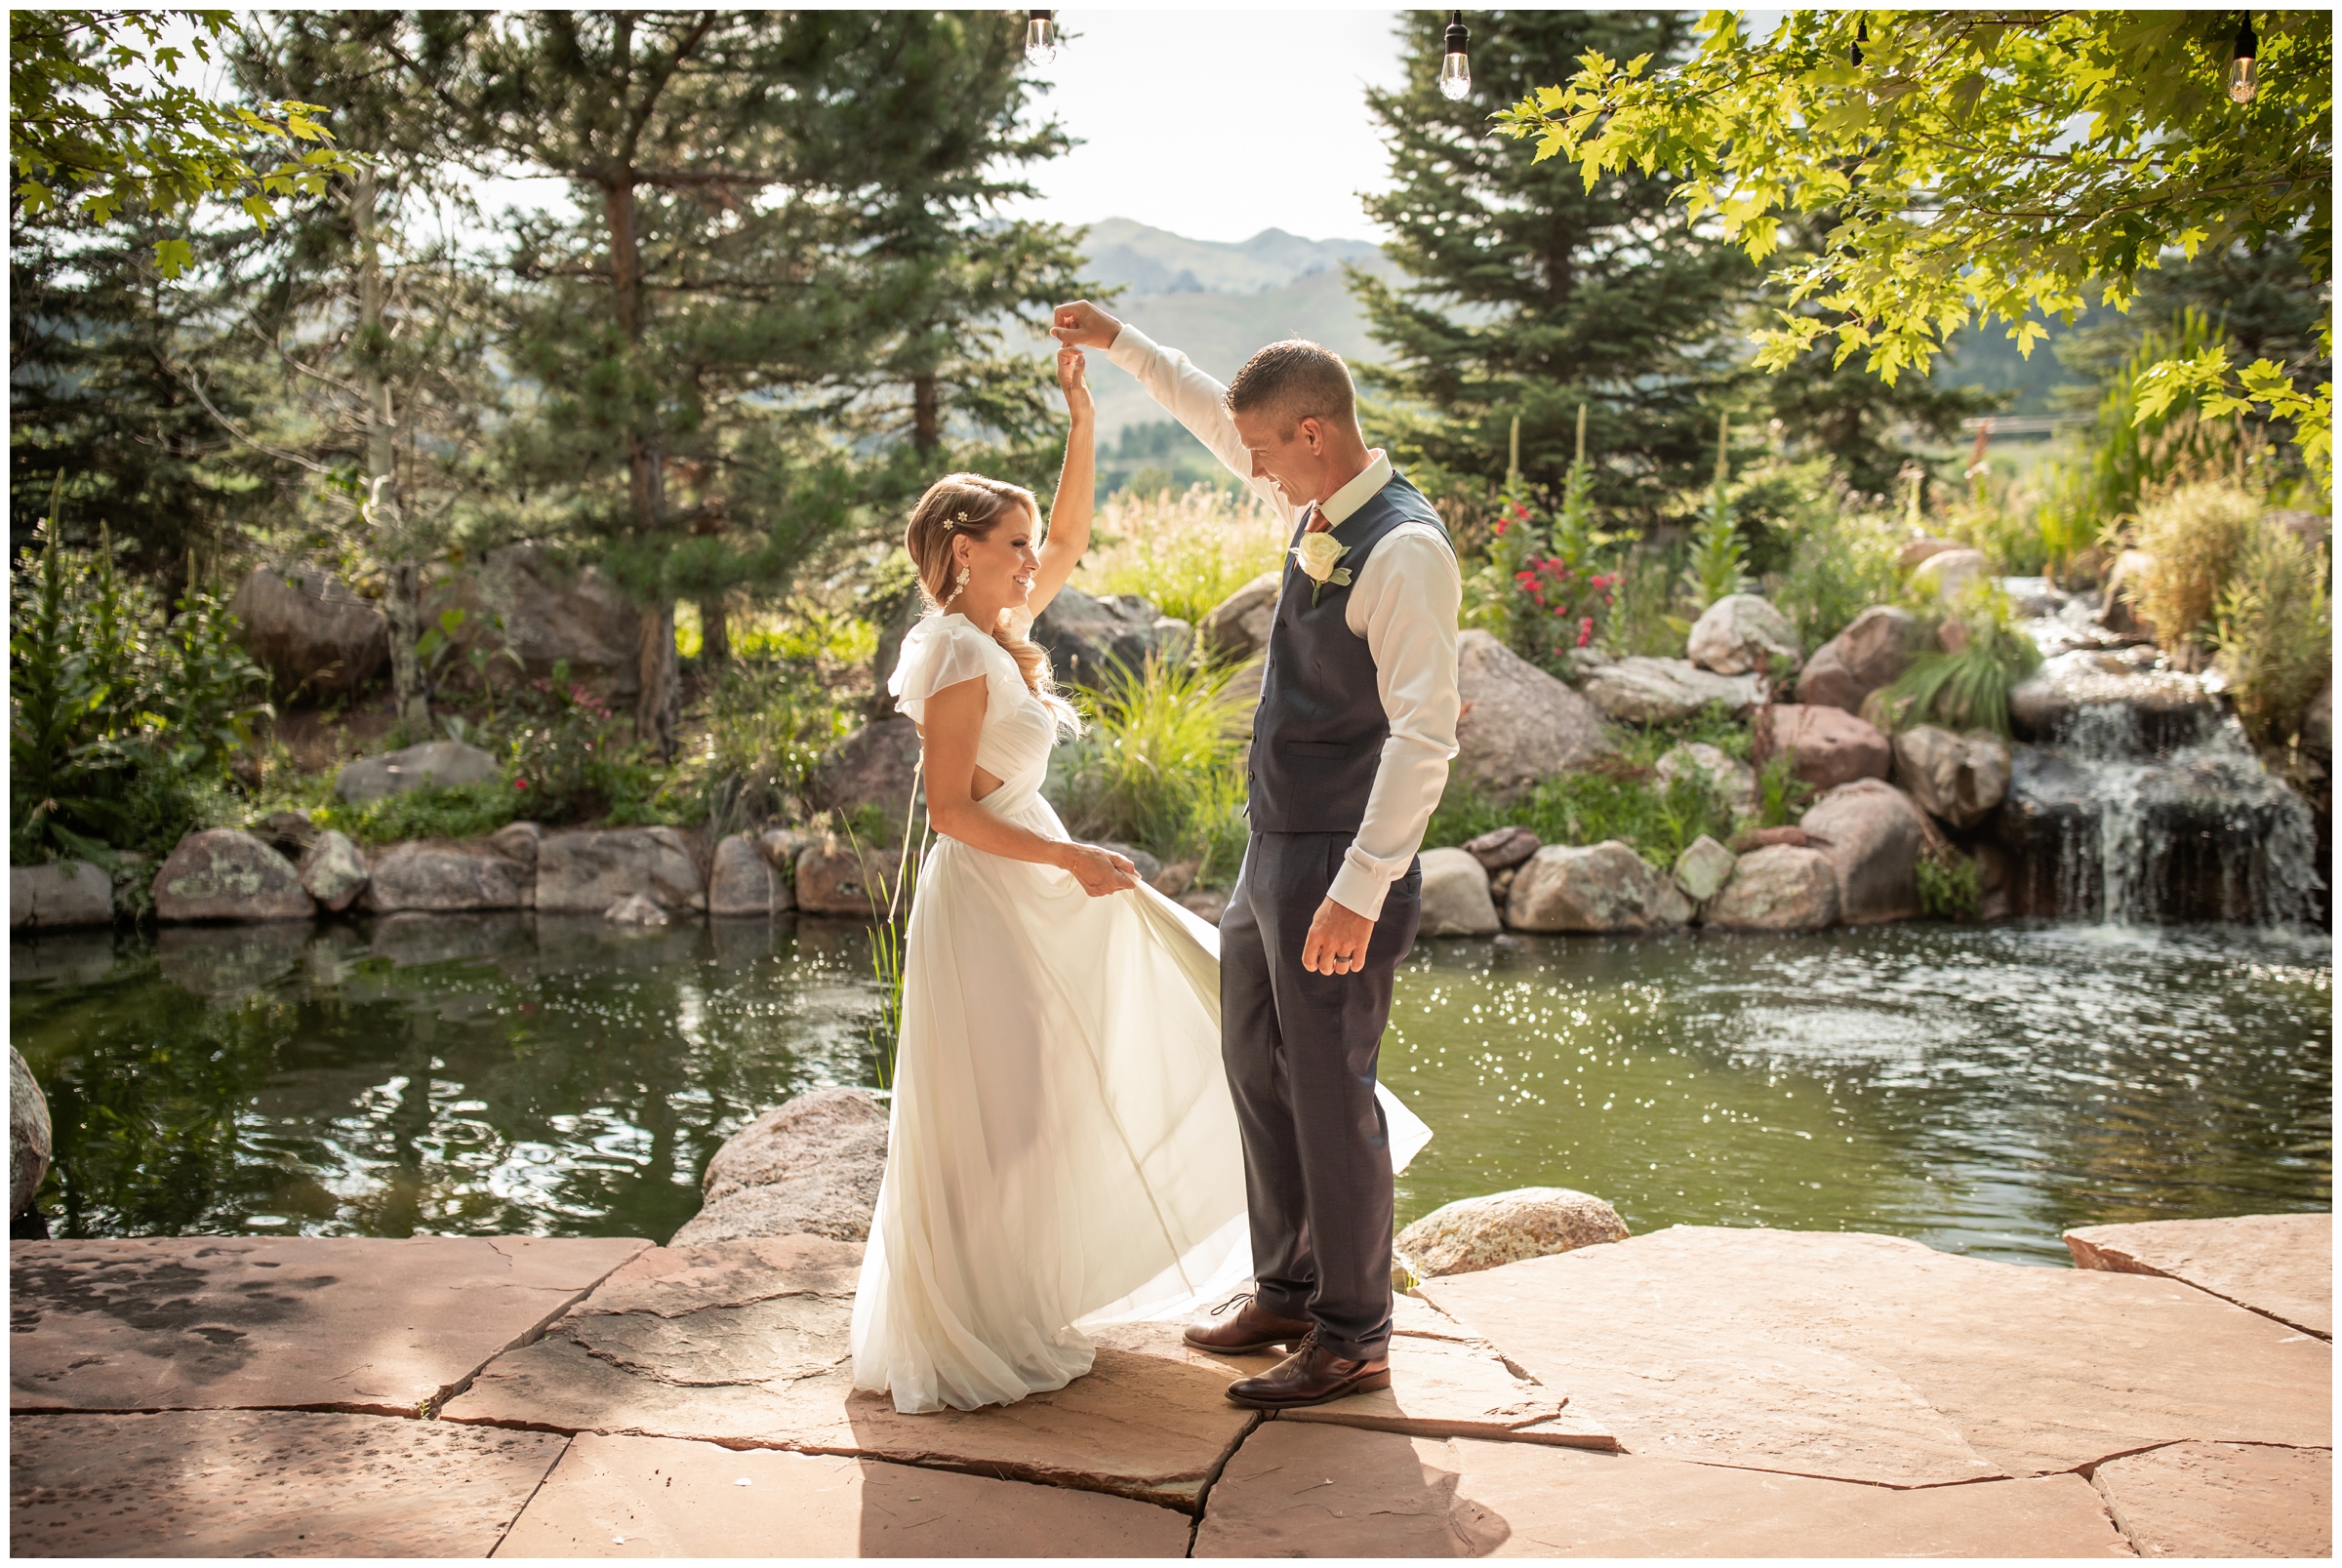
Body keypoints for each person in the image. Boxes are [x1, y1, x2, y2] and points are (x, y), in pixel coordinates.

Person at [1049, 300, 1462, 1410]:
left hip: (1341, 864)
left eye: (1270, 452)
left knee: (1333, 1091)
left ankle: (1355, 1332)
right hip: (1272, 848)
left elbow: (1427, 736)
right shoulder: (1322, 494)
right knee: (1256, 1067)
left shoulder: (1405, 550)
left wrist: (1359, 889)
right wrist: (1124, 344)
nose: (1258, 472)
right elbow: (1211, 418)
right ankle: (1287, 1286)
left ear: (1316, 434)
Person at [849, 345, 1257, 1414]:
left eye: (1030, 544)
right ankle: (967, 1320)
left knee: (1051, 1105)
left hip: (1031, 888)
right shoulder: (949, 650)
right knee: (1009, 1114)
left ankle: (1012, 1300)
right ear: (961, 550)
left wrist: (1084, 411)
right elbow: (947, 810)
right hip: (989, 898)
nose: (1036, 559)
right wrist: (1072, 856)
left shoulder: (1001, 631)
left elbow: (1075, 532)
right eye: (1015, 544)